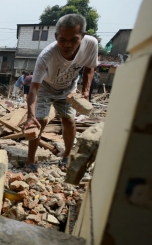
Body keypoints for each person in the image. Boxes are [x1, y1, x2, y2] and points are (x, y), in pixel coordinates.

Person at [22, 14, 98, 172]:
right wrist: (30, 115)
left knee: (69, 121)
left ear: (82, 36)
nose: (68, 45)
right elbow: (34, 88)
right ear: (56, 36)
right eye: (63, 40)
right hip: (45, 88)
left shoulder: (91, 44)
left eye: (74, 40)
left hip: (68, 89)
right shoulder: (46, 56)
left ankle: (66, 156)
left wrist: (85, 91)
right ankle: (30, 161)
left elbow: (90, 67)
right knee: (40, 121)